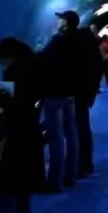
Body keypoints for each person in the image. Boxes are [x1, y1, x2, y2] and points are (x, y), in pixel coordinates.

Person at [0, 37, 45, 213]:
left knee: (4, 196)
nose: (2, 67)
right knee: (23, 197)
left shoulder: (16, 74)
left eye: (2, 62)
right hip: (31, 139)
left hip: (15, 143)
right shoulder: (36, 67)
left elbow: (15, 109)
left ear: (9, 56)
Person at [37, 11, 81, 191]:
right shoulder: (79, 39)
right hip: (71, 92)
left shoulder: (59, 39)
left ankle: (54, 182)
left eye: (61, 18)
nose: (58, 21)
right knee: (71, 133)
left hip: (55, 92)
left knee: (55, 136)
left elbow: (44, 58)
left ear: (66, 22)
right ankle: (70, 175)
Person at [75, 18, 104, 178]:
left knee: (79, 130)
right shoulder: (94, 55)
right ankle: (86, 164)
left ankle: (81, 165)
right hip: (85, 95)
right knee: (83, 129)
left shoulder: (84, 56)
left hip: (79, 95)